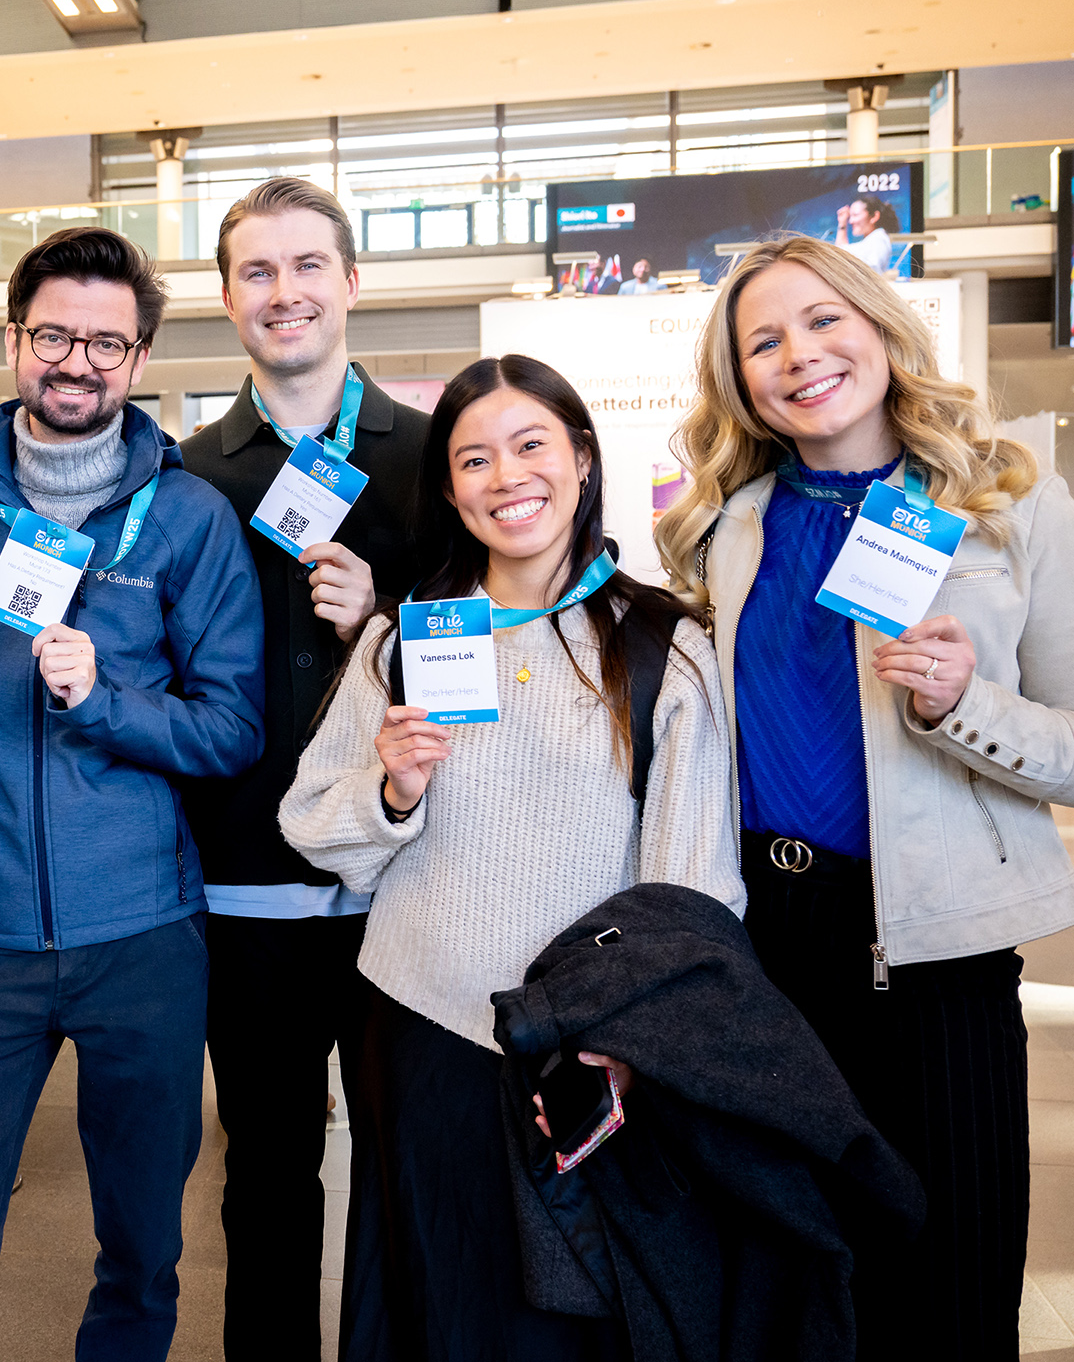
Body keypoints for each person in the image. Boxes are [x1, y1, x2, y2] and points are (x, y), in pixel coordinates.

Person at [655, 232, 1074, 1359]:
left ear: (880, 327)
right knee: (800, 1284)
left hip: (936, 949)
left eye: (823, 321)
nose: (799, 356)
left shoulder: (1004, 502)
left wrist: (959, 704)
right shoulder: (726, 528)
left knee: (951, 1278)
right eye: (764, 341)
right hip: (771, 946)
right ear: (738, 378)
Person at [279, 352, 744, 1362]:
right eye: (474, 460)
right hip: (420, 1032)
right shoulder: (405, 642)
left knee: (569, 1320)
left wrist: (629, 1043)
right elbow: (317, 825)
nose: (507, 478)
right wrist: (392, 787)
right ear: (449, 489)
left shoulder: (664, 643)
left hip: (585, 1050)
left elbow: (694, 881)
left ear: (580, 456)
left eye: (531, 446)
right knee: (426, 1301)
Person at [0, 227, 266, 1362]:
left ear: (139, 357)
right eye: (54, 334)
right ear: (15, 340)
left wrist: (104, 700)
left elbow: (232, 729)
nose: (78, 362)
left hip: (144, 940)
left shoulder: (189, 518)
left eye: (108, 341)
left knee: (144, 1249)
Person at [174, 176, 429, 1361]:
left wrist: (380, 625)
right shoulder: (186, 478)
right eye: (258, 272)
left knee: (407, 1177)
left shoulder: (434, 462)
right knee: (266, 1182)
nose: (286, 293)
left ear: (352, 282)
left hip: (406, 886)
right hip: (245, 893)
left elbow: (485, 665)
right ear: (228, 300)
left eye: (307, 266)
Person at [834, 194, 901, 275]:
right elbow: (841, 250)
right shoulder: (871, 241)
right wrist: (842, 223)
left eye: (855, 215)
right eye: (850, 216)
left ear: (874, 216)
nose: (851, 221)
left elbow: (840, 253)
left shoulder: (877, 241)